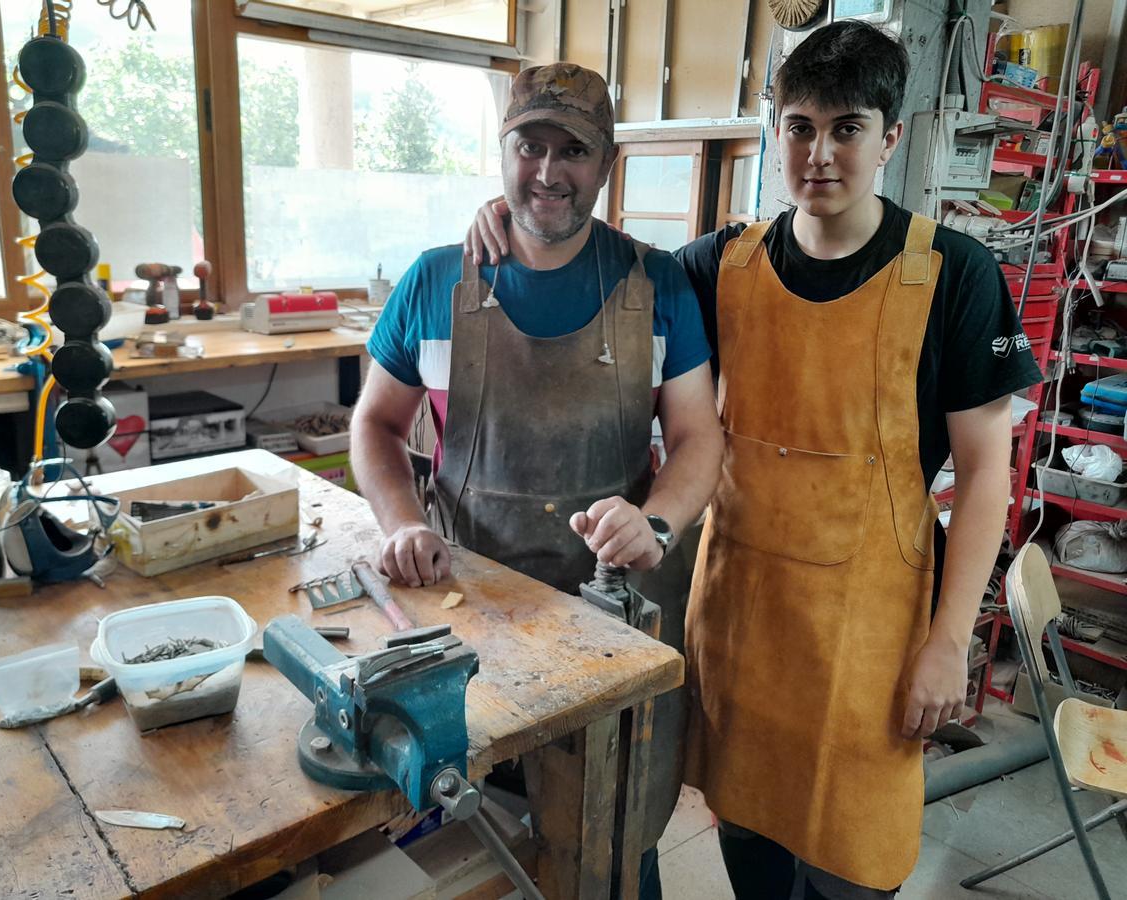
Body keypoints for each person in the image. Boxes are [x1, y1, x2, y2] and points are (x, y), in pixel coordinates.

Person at [464, 22, 1042, 900]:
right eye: (799, 125)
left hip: (872, 649)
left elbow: (989, 473)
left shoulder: (953, 275)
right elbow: (597, 259)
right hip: (741, 632)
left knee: (855, 867)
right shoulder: (719, 266)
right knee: (754, 859)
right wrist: (515, 212)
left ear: (890, 136)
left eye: (847, 127)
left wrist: (947, 641)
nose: (819, 152)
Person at [352, 62, 722, 897]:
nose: (548, 172)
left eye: (573, 151)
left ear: (606, 164)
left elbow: (700, 439)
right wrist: (402, 524)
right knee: (472, 831)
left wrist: (656, 522)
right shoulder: (434, 280)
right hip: (466, 620)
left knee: (614, 840)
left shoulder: (655, 284)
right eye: (530, 145)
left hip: (609, 629)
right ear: (503, 150)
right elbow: (372, 424)